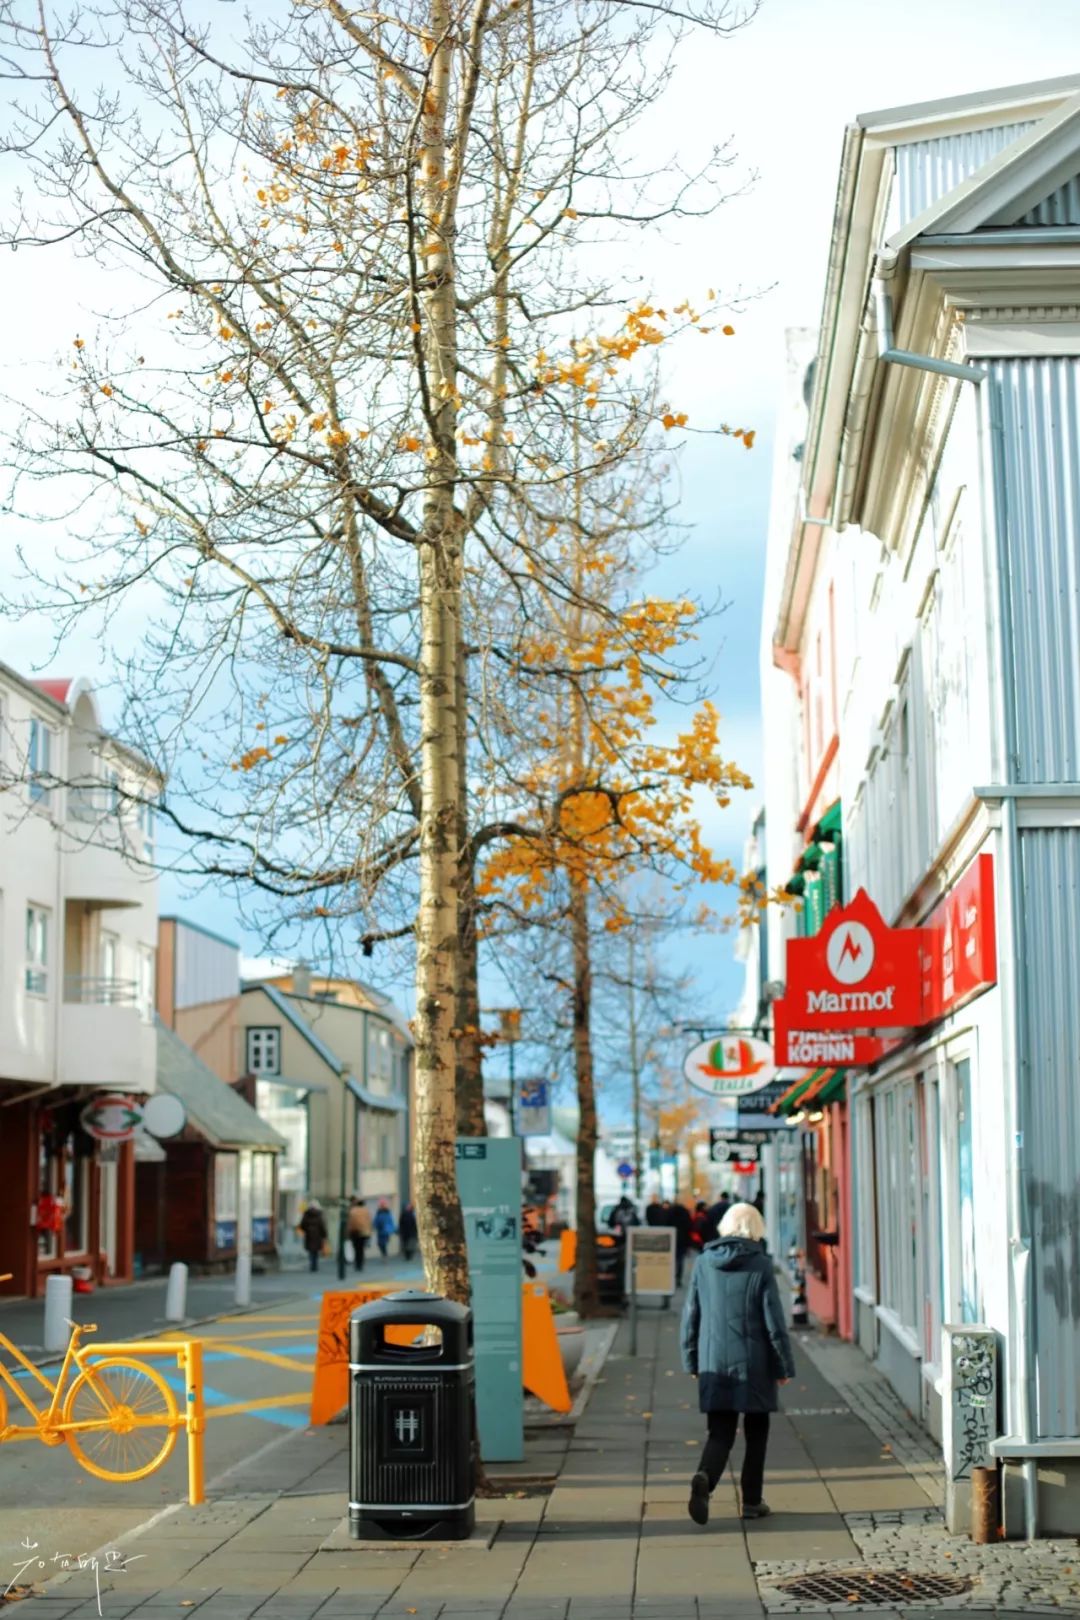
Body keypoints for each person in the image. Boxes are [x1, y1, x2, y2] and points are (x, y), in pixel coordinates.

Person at [680, 1201, 795, 1526]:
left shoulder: (704, 1263)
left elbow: (691, 1314)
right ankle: (752, 1501)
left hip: (714, 1360)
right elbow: (774, 1321)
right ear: (756, 1228)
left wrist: (691, 1360)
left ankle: (705, 1477)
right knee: (757, 1433)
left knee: (720, 1431)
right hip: (755, 1363)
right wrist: (783, 1366)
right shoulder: (761, 1264)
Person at [298, 1199, 328, 1273]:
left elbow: (302, 1224)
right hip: (318, 1235)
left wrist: (306, 1230)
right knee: (316, 1251)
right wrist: (324, 1234)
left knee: (311, 1251)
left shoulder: (306, 1214)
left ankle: (312, 1265)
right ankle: (315, 1265)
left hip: (309, 1235)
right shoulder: (319, 1214)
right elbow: (322, 1225)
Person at [670, 1198, 692, 1287]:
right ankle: (678, 1278)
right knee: (680, 1259)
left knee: (672, 1258)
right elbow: (689, 1227)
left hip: (672, 1237)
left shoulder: (670, 1212)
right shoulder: (685, 1212)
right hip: (682, 1239)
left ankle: (671, 1277)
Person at [347, 1196, 372, 1272]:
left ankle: (357, 1264)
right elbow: (369, 1222)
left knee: (356, 1249)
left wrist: (349, 1232)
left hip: (355, 1232)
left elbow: (350, 1223)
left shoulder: (353, 1211)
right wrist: (369, 1232)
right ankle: (361, 1264)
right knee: (361, 1249)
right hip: (364, 1233)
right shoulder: (366, 1211)